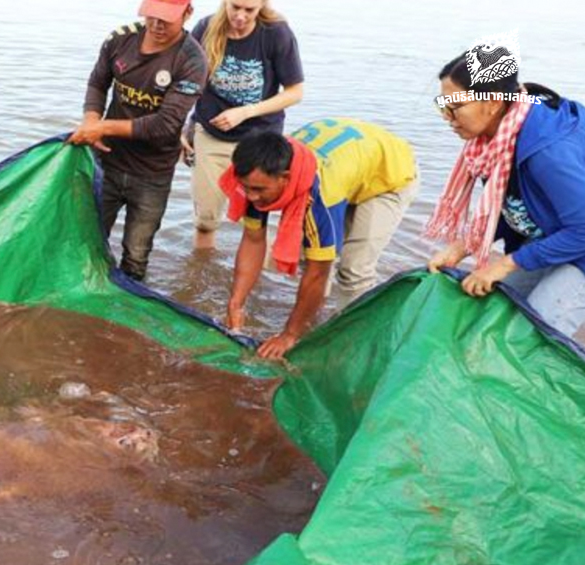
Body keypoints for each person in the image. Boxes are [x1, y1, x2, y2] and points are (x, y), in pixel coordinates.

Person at [222, 120, 419, 358]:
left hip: (388, 176)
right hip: (352, 162)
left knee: (353, 270)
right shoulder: (256, 179)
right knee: (312, 256)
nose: (251, 196)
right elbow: (253, 241)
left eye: (259, 190)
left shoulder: (320, 195)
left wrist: (289, 335)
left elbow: (318, 271)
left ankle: (349, 345)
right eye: (247, 188)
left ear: (285, 178)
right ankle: (315, 319)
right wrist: (236, 303)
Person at [426, 51, 585, 340]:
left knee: (527, 338)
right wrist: (463, 246)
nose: (448, 117)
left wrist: (504, 264)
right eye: (443, 105)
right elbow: (515, 203)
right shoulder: (496, 138)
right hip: (558, 233)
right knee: (493, 316)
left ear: (493, 102)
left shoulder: (548, 152)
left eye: (455, 106)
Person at [68, 0, 207, 282]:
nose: (156, 25)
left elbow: (164, 125)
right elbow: (98, 83)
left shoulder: (192, 60)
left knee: (136, 252)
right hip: (106, 163)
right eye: (151, 16)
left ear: (188, 13)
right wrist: (91, 120)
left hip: (152, 173)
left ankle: (126, 303)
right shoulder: (120, 39)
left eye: (165, 19)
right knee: (85, 239)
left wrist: (104, 126)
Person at [182, 0, 304, 250]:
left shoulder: (275, 33)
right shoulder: (205, 28)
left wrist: (246, 112)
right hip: (211, 134)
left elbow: (295, 92)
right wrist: (187, 126)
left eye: (249, 10)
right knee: (205, 221)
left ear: (261, 7)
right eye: (235, 7)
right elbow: (188, 82)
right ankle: (199, 278)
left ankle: (253, 282)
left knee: (254, 223)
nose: (240, 16)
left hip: (258, 139)